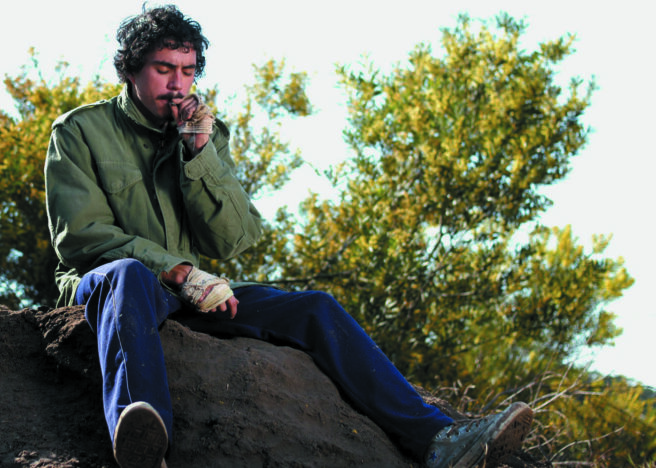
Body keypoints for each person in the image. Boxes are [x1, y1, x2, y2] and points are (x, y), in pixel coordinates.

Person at [44, 5, 533, 468]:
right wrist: (176, 271)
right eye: (163, 69)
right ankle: (143, 443)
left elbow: (232, 240)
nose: (177, 84)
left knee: (315, 308)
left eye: (188, 71)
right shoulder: (79, 130)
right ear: (131, 69)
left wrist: (199, 154)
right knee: (129, 274)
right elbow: (82, 237)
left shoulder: (205, 134)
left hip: (191, 295)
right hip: (113, 289)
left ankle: (438, 441)